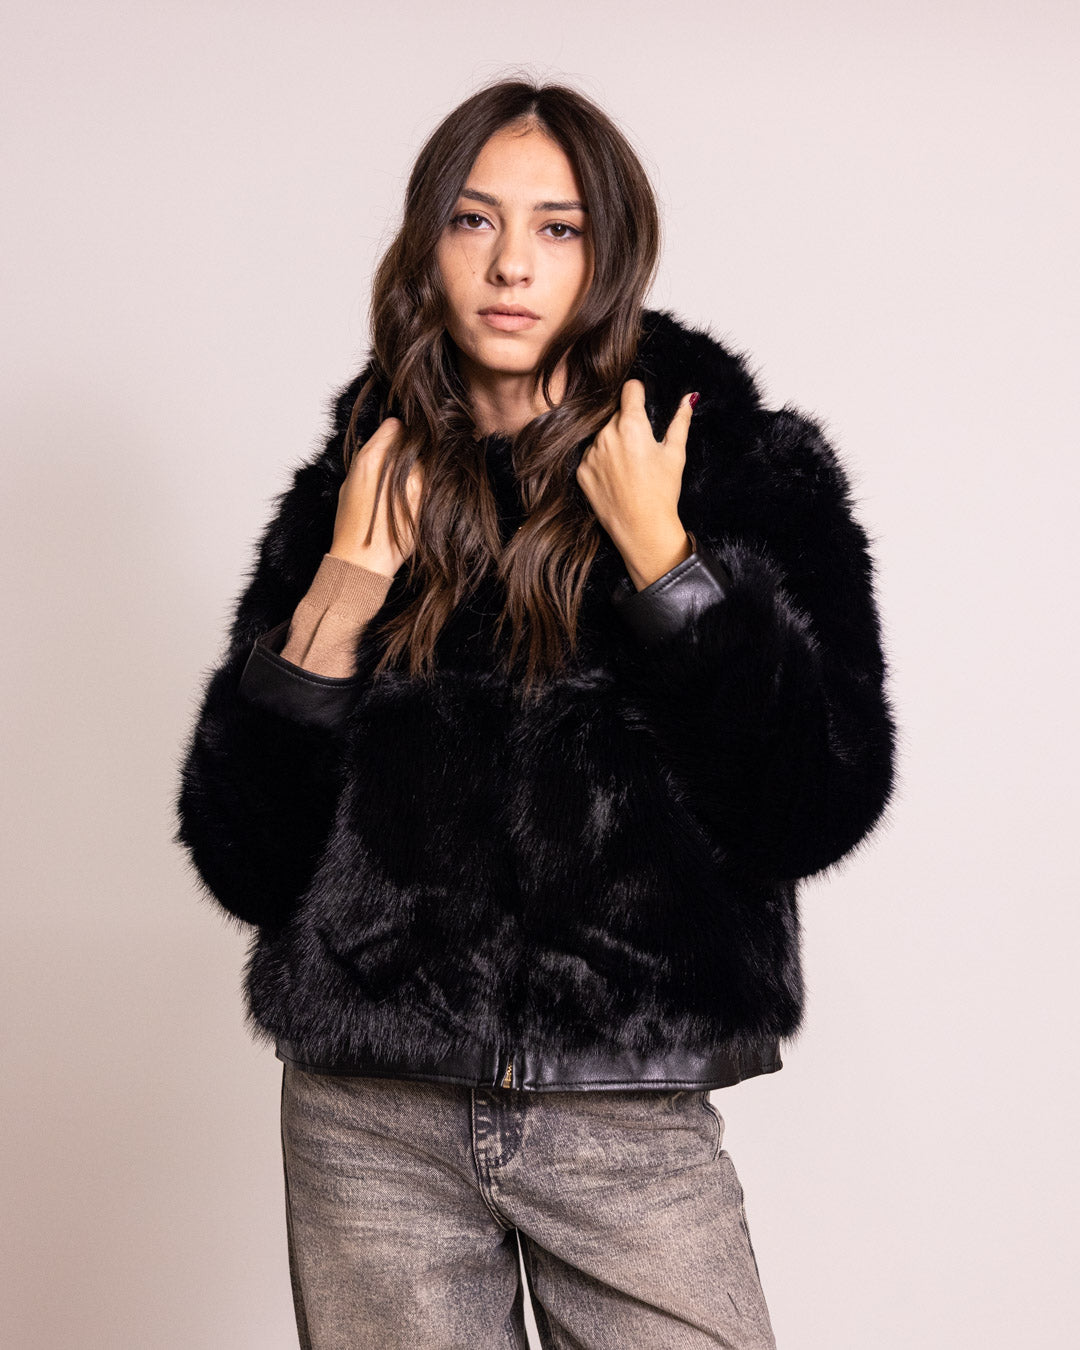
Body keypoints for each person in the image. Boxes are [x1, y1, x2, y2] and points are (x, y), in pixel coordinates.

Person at [174, 78, 897, 1350]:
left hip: (625, 1119)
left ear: (611, 255)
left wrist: (669, 569)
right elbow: (245, 858)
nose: (512, 264)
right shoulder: (358, 487)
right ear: (426, 247)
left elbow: (815, 803)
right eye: (475, 220)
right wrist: (342, 593)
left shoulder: (740, 471)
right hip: (369, 1124)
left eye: (559, 228)